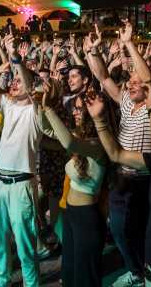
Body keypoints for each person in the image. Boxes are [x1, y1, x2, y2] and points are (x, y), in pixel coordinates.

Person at [0, 32, 46, 287]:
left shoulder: (37, 111)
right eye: (13, 80)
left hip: (22, 185)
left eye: (19, 81)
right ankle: (2, 278)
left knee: (25, 242)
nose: (14, 83)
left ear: (32, 87)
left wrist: (15, 58)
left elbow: (27, 81)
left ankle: (31, 282)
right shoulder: (8, 104)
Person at [86, 22, 151, 286]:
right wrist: (93, 52)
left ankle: (147, 272)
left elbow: (146, 78)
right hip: (120, 177)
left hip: (144, 179)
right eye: (130, 81)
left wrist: (129, 44)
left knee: (141, 230)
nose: (132, 85)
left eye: (137, 83)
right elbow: (104, 78)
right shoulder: (125, 101)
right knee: (118, 229)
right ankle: (135, 270)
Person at [42, 84, 107, 287]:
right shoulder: (78, 136)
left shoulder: (98, 144)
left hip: (86, 216)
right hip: (70, 212)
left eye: (81, 107)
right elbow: (46, 128)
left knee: (85, 276)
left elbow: (69, 144)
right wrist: (39, 106)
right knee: (69, 272)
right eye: (76, 108)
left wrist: (49, 110)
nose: (76, 111)